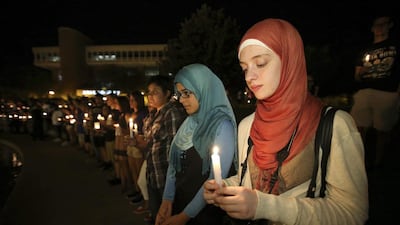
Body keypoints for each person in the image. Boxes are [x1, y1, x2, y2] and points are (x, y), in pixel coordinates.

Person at [203, 18, 369, 225]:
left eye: (260, 63)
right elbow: (250, 180)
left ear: (290, 59)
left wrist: (263, 207)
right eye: (245, 68)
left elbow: (352, 213)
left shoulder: (335, 125)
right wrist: (224, 187)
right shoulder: (247, 125)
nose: (249, 76)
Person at [155, 63, 237, 225]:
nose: (182, 100)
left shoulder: (221, 126)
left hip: (205, 213)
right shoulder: (189, 123)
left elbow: (215, 179)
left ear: (203, 88)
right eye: (179, 94)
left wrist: (185, 216)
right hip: (181, 204)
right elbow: (174, 164)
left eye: (187, 93)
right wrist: (167, 200)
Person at [135, 75, 187, 223]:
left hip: (165, 176)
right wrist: (140, 143)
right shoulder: (153, 114)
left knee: (166, 216)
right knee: (156, 214)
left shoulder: (172, 113)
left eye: (155, 92)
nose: (150, 96)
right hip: (153, 174)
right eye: (149, 92)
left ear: (167, 93)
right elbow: (151, 143)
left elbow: (178, 148)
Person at [350, 14, 400, 170]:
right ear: (372, 29)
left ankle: (379, 163)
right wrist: (361, 73)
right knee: (358, 127)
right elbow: (357, 76)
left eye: (383, 24)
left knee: (382, 130)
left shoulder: (395, 46)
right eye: (377, 25)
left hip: (387, 93)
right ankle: (358, 162)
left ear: (389, 25)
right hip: (365, 91)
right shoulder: (366, 50)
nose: (380, 27)